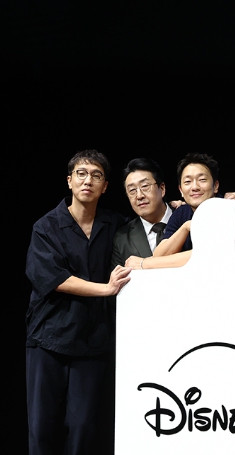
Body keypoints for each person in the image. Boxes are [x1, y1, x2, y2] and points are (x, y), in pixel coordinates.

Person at [25, 150, 132, 455]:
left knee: (85, 427)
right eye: (81, 174)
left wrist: (178, 211)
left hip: (93, 341)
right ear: (69, 181)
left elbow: (147, 234)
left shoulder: (116, 225)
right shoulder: (45, 226)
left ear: (105, 186)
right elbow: (55, 279)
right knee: (43, 428)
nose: (88, 181)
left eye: (96, 175)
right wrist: (106, 289)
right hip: (48, 339)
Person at [152, 153, 235, 264]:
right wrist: (186, 227)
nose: (195, 187)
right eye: (187, 182)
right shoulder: (181, 213)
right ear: (181, 190)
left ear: (216, 186)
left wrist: (144, 263)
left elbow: (211, 254)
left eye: (202, 179)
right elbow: (158, 256)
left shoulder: (229, 208)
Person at [111, 158, 176, 270]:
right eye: (132, 190)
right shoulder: (122, 238)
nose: (139, 195)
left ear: (162, 189)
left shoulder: (188, 219)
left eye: (145, 186)